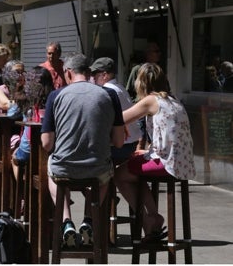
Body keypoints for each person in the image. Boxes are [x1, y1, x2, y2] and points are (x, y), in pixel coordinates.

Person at [41, 52, 124, 247]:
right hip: (97, 168)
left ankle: (66, 221)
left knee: (51, 169)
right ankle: (89, 220)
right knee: (104, 175)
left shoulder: (56, 96)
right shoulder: (109, 95)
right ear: (89, 73)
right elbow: (119, 142)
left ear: (68, 73)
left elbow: (46, 143)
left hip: (64, 168)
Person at [114, 63, 196, 243]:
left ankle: (147, 219)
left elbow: (120, 118)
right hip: (182, 162)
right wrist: (147, 151)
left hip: (167, 163)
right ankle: (153, 216)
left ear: (141, 83)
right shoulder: (173, 100)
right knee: (135, 172)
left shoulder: (151, 100)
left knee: (119, 174)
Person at [90, 57, 140, 164]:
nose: (92, 78)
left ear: (105, 75)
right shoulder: (120, 87)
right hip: (131, 142)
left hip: (122, 146)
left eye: (95, 74)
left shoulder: (108, 91)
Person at [11, 66, 54, 179]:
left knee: (15, 157)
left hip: (28, 148)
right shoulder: (54, 98)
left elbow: (11, 114)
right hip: (52, 148)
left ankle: (22, 192)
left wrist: (18, 89)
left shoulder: (26, 98)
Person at [0, 60, 25, 158]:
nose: (20, 76)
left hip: (18, 131)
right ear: (8, 74)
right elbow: (6, 104)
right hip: (0, 133)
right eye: (17, 72)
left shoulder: (25, 91)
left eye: (22, 72)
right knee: (20, 147)